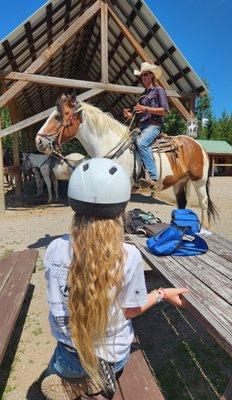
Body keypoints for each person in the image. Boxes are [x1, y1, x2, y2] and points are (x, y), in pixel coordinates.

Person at [41, 157, 188, 400]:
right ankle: (92, 381)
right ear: (122, 207)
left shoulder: (55, 248)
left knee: (50, 374)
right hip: (113, 355)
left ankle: (81, 379)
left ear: (73, 202)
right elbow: (131, 310)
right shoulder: (128, 255)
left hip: (69, 355)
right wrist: (162, 293)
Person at [123, 62, 170, 190]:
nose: (142, 77)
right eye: (141, 75)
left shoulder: (159, 90)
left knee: (142, 143)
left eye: (145, 75)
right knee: (127, 144)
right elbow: (139, 116)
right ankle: (137, 176)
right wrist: (129, 116)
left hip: (154, 126)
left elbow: (165, 111)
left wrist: (146, 109)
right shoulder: (143, 95)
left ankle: (153, 177)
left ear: (152, 76)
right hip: (141, 126)